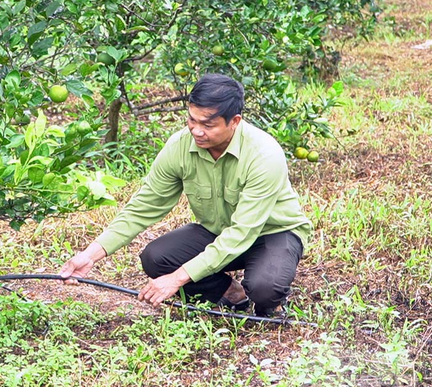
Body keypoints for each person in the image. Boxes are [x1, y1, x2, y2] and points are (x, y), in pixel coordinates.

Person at [59, 73, 312, 316]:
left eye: (208, 124)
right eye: (192, 120)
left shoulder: (263, 154)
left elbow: (242, 233)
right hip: (219, 231)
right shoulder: (180, 147)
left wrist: (176, 279)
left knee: (265, 289)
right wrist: (90, 255)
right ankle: (229, 291)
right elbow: (143, 206)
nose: (196, 131)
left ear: (234, 121)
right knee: (155, 259)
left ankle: (268, 290)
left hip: (272, 233)